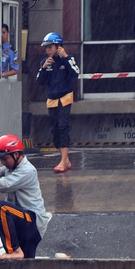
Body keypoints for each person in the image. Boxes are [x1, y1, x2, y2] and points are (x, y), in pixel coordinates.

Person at [0, 134, 51, 260]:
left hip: (32, 222)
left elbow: (3, 185)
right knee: (25, 266)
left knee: (2, 208)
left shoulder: (27, 170)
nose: (2, 162)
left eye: (5, 158)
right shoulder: (10, 168)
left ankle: (14, 251)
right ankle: (17, 253)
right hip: (22, 220)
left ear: (16, 155)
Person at [36, 32, 80, 174]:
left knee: (63, 126)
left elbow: (75, 73)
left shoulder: (68, 59)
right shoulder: (45, 62)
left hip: (65, 97)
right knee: (55, 130)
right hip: (52, 99)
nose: (48, 50)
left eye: (51, 47)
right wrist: (44, 68)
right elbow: (40, 81)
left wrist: (66, 57)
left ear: (58, 46)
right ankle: (65, 160)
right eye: (46, 47)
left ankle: (63, 161)